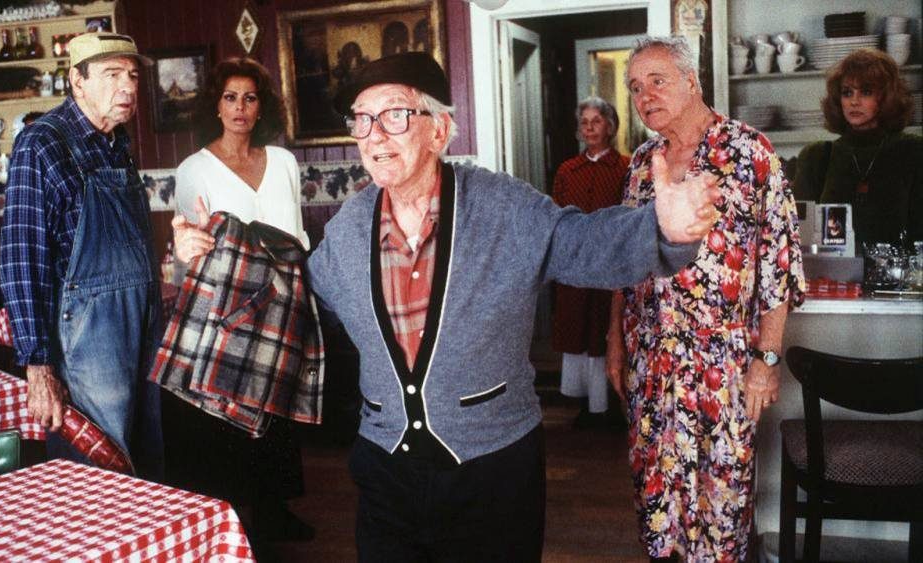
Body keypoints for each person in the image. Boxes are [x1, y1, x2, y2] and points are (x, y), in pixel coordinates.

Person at [181, 50, 721, 562]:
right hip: (385, 469)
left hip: (491, 469)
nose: (374, 135)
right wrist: (214, 255)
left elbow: (581, 242)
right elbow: (296, 293)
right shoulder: (349, 227)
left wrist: (662, 230)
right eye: (362, 120)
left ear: (438, 130)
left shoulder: (502, 206)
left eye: (394, 115)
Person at [604, 36, 806, 562]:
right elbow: (624, 262)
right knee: (656, 498)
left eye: (657, 81)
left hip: (723, 363)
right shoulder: (641, 163)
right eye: (635, 87)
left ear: (692, 81)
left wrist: (766, 360)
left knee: (723, 501)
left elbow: (779, 263)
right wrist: (614, 343)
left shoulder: (749, 152)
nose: (645, 96)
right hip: (651, 361)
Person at [163, 56, 314, 552]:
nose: (240, 108)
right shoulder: (194, 169)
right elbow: (188, 247)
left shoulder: (284, 162)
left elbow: (298, 234)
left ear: (261, 106)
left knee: (276, 414)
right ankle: (236, 525)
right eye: (230, 97)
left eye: (250, 98)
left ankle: (274, 511)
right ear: (216, 105)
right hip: (227, 309)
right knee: (229, 415)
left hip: (283, 302)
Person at [0, 32, 163, 478]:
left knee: (144, 464)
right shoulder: (41, 144)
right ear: (77, 81)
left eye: (132, 75)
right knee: (99, 474)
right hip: (87, 343)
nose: (127, 87)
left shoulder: (117, 143)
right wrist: (38, 367)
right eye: (112, 74)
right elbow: (21, 263)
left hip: (141, 329)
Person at [551, 96, 629, 429]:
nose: (590, 128)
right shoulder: (568, 171)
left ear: (610, 126)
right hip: (576, 264)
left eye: (596, 121)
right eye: (584, 122)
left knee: (607, 331)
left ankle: (610, 404)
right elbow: (557, 216)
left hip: (614, 263)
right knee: (579, 331)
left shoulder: (625, 168)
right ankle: (586, 404)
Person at [793, 48, 922, 244]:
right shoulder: (816, 157)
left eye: (866, 92)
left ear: (886, 97)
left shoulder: (913, 151)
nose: (854, 101)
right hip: (831, 264)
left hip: (899, 264)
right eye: (847, 93)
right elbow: (798, 235)